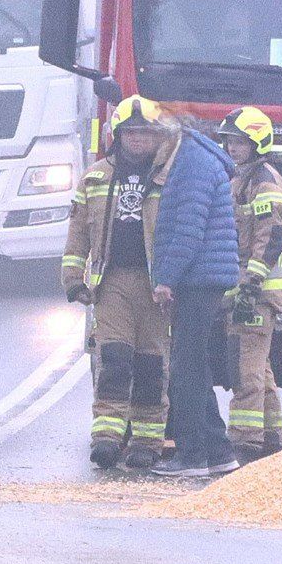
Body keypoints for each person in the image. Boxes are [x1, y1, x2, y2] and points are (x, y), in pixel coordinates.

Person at [61, 96, 174, 471]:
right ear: (117, 136)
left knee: (150, 363)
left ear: (157, 137)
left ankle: (146, 439)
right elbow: (77, 233)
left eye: (145, 133)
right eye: (131, 133)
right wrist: (73, 279)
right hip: (111, 283)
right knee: (114, 359)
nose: (138, 141)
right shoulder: (95, 177)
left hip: (156, 286)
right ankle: (107, 437)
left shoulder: (169, 177)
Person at [147, 113, 244, 479]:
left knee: (185, 369)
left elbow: (188, 229)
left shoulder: (191, 164)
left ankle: (191, 456)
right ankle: (218, 451)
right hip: (205, 276)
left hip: (198, 278)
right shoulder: (197, 158)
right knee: (195, 365)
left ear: (166, 136)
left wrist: (165, 279)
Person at [214, 107, 282, 459]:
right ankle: (273, 435)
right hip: (246, 290)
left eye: (241, 142)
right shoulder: (241, 178)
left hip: (257, 294)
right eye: (230, 141)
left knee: (245, 368)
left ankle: (245, 440)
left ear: (258, 142)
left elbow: (270, 237)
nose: (233, 148)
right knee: (259, 366)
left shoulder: (264, 182)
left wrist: (250, 285)